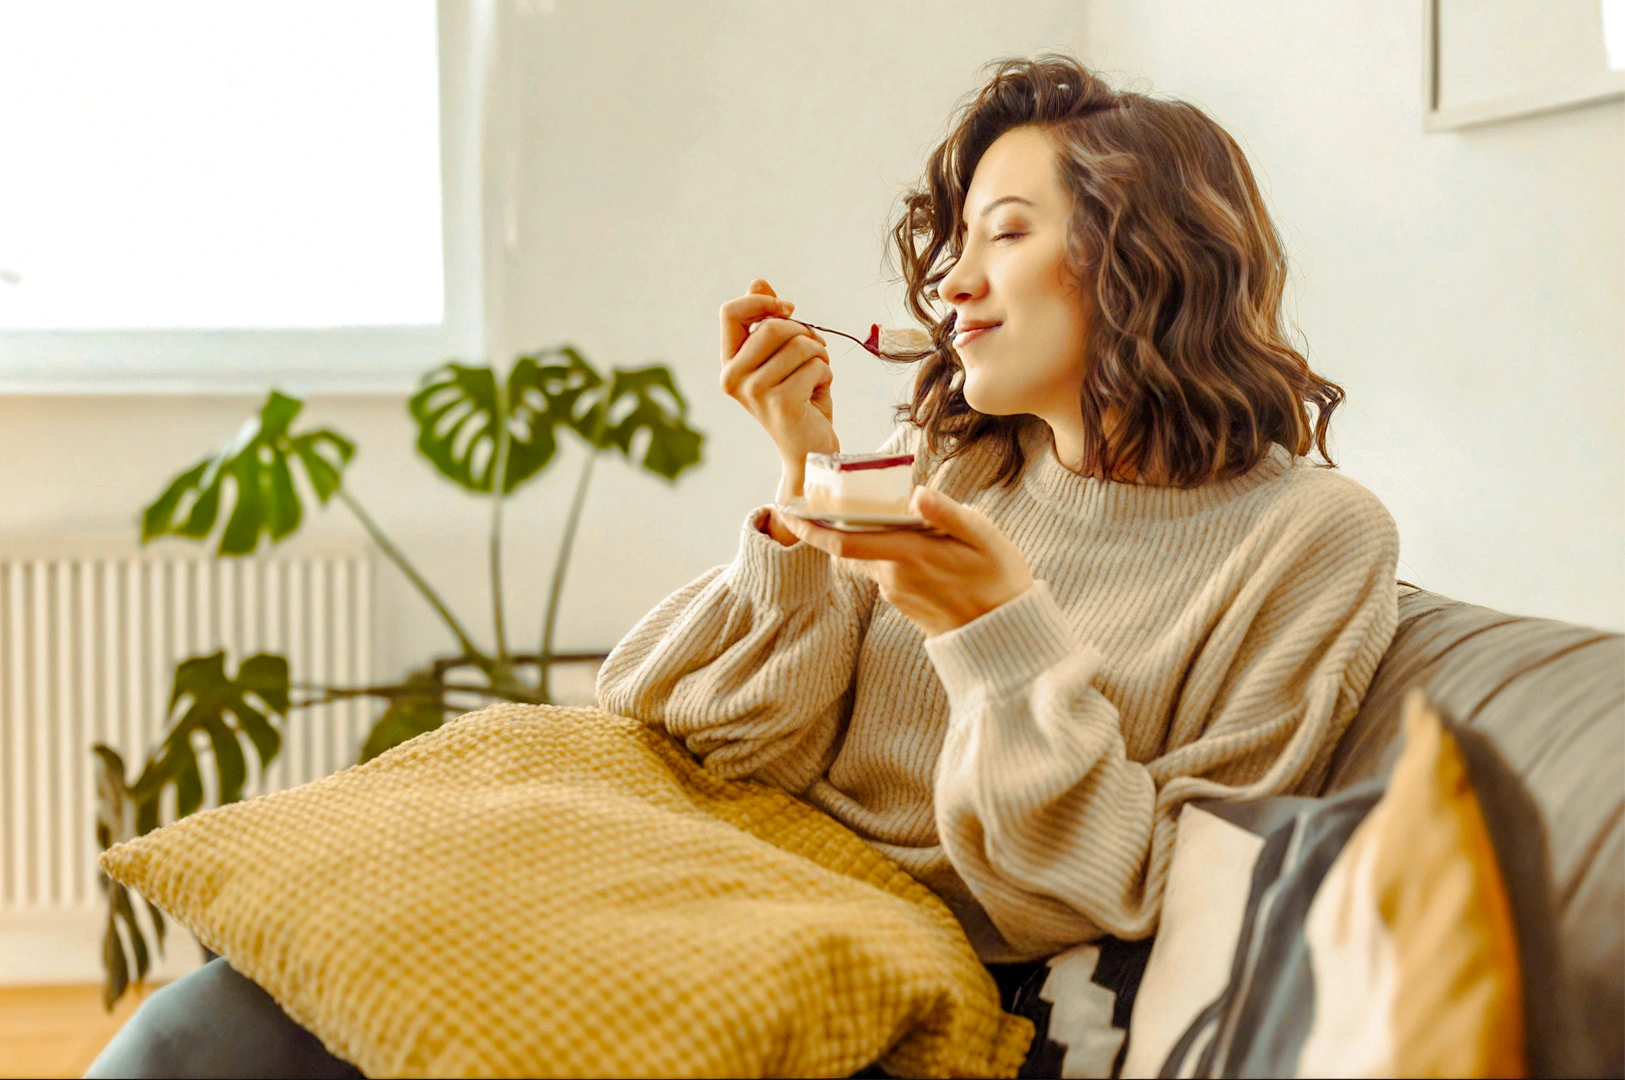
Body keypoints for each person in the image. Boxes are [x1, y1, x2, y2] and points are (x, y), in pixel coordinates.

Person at [88, 54, 1398, 1079]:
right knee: (228, 1009)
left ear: (1140, 256)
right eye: (952, 240)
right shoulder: (955, 462)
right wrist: (804, 478)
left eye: (1004, 233)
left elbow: (1137, 886)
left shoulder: (1313, 539)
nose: (950, 283)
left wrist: (1000, 636)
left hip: (870, 940)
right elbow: (707, 732)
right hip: (709, 852)